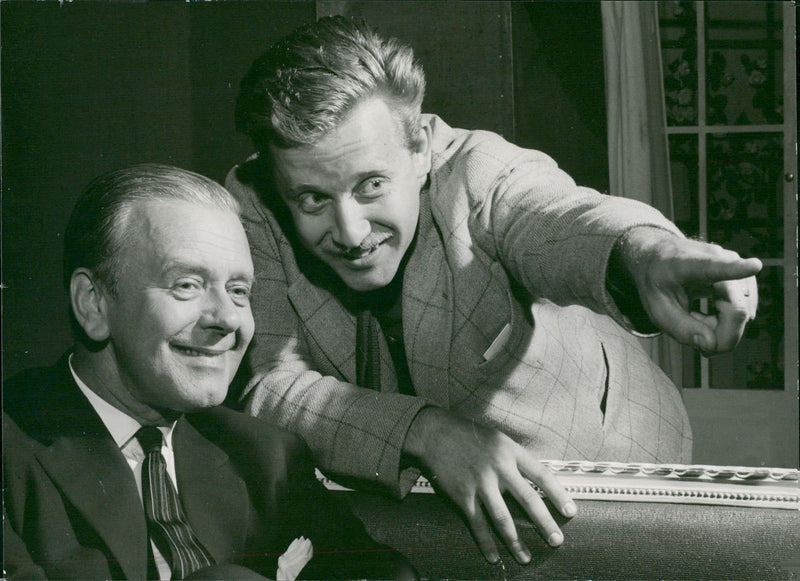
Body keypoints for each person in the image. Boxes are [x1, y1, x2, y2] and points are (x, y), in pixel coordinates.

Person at [227, 16, 762, 566]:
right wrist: (426, 432)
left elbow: (556, 216)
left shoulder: (480, 174)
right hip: (415, 487)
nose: (350, 233)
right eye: (312, 200)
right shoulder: (253, 202)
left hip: (607, 449)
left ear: (421, 150)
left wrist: (644, 252)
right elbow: (270, 387)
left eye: (371, 186)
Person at [2, 164, 416, 581]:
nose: (227, 319)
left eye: (239, 291)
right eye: (187, 284)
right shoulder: (11, 453)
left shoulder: (265, 456)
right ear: (93, 304)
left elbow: (382, 572)